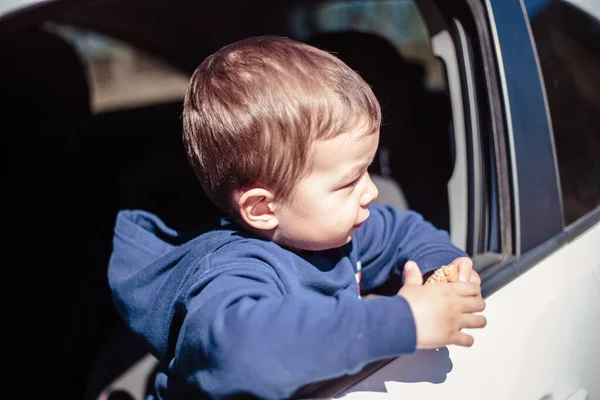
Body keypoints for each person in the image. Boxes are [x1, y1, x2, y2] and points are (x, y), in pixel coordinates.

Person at [108, 35, 486, 400]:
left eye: (368, 170)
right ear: (262, 209)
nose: (371, 191)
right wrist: (404, 322)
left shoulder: (337, 232)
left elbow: (402, 231)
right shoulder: (233, 274)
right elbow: (246, 353)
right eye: (349, 181)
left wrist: (443, 266)